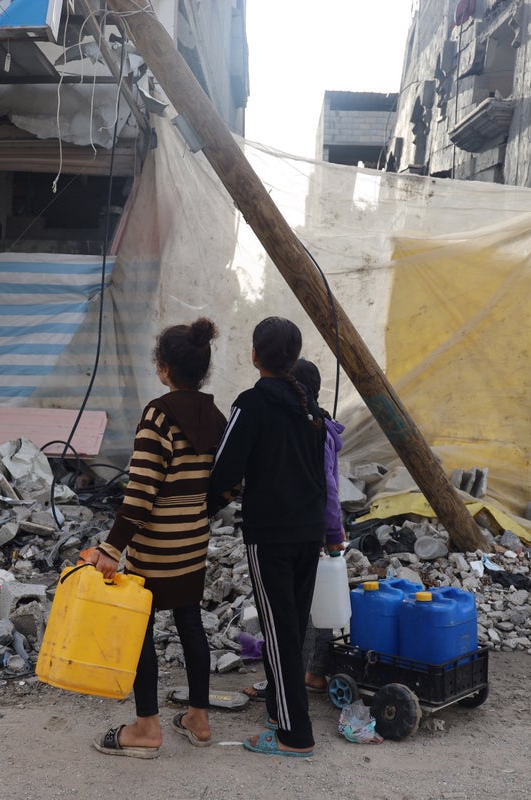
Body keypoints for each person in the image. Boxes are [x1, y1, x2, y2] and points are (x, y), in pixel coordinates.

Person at [86, 318, 227, 759]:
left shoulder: (158, 414)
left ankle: (146, 728)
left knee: (141, 629)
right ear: (201, 371)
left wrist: (111, 548)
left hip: (156, 549)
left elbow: (141, 490)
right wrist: (198, 512)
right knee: (190, 622)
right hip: (193, 545)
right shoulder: (218, 417)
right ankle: (198, 720)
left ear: (164, 368)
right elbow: (228, 484)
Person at [209, 317, 326, 758]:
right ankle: (281, 709)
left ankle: (296, 735)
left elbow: (223, 470)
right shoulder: (312, 409)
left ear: (254, 354)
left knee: (277, 630)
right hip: (307, 531)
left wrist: (208, 504)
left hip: (271, 533)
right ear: (294, 358)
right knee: (290, 625)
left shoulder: (251, 404)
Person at [240, 358, 345, 700]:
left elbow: (327, 486)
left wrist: (333, 533)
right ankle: (309, 673)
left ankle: (285, 685)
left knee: (289, 616)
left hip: (300, 528)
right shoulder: (320, 426)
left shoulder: (311, 429)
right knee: (311, 605)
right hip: (313, 526)